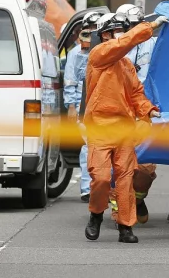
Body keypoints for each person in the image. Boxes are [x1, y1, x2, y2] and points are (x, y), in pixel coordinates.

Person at [83, 11, 169, 243]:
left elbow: (136, 94)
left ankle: (126, 226)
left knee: (125, 179)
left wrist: (148, 110)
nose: (120, 35)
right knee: (100, 178)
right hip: (100, 127)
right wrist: (148, 27)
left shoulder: (127, 65)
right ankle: (96, 214)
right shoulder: (98, 56)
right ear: (104, 35)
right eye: (117, 31)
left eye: (122, 30)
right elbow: (124, 42)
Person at [107, 4, 159, 226]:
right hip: (117, 114)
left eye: (138, 25)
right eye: (128, 26)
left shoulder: (155, 44)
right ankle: (119, 210)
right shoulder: (112, 48)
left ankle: (138, 199)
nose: (133, 29)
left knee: (145, 167)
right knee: (115, 165)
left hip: (145, 112)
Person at [63, 10, 103, 202]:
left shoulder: (109, 48)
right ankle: (87, 188)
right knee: (88, 146)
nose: (92, 33)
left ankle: (105, 185)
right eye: (88, 30)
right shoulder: (75, 53)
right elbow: (71, 79)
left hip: (106, 105)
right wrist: (71, 105)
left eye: (96, 29)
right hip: (84, 105)